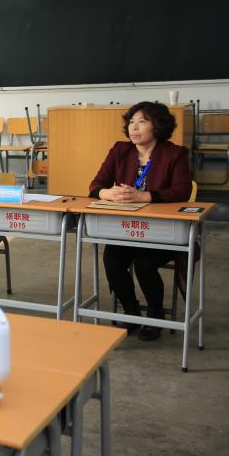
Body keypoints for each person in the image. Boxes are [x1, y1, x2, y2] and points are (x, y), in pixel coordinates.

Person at [89, 101, 192, 341]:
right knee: (112, 260)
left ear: (158, 126)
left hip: (161, 230)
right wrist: (108, 193)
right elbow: (95, 185)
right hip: (126, 228)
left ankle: (155, 315)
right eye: (131, 122)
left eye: (142, 122)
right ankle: (131, 312)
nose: (134, 127)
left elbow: (182, 190)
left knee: (144, 265)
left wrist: (145, 196)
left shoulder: (175, 154)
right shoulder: (120, 150)